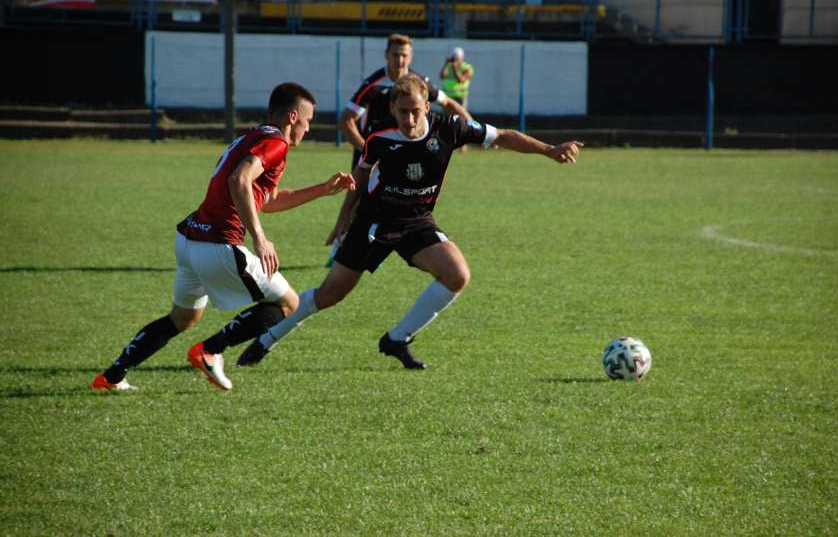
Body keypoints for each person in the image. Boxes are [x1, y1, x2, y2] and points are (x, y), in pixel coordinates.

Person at [236, 73, 583, 370]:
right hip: (374, 222)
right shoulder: (380, 139)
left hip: (418, 220)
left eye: (416, 111)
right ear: (392, 109)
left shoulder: (452, 128)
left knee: (457, 275)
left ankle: (396, 339)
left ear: (426, 107)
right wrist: (343, 221)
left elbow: (503, 135)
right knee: (330, 295)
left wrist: (550, 150)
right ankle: (266, 339)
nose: (410, 119)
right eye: (402, 112)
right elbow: (360, 177)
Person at [90, 82, 355, 392]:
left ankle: (112, 376)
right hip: (218, 245)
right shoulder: (276, 144)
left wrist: (323, 189)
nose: (309, 129)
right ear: (293, 117)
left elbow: (266, 199)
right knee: (289, 304)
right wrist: (260, 238)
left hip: (189, 241)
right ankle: (211, 350)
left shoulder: (252, 136)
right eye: (309, 120)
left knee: (182, 318)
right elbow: (239, 180)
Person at [327, 33, 471, 265]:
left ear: (411, 56)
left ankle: (374, 247)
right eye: (395, 54)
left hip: (403, 157)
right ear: (386, 55)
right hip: (371, 153)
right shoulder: (373, 85)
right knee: (357, 204)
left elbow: (448, 103)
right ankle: (340, 247)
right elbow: (346, 120)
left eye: (404, 55)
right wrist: (368, 148)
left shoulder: (419, 84)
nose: (400, 60)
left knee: (397, 204)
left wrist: (468, 125)